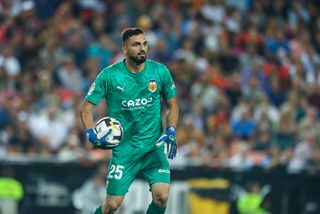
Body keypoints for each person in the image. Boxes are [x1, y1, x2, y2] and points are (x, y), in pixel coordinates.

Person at [80, 27, 179, 214]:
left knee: (162, 196)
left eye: (144, 43)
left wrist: (171, 130)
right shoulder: (109, 76)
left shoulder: (160, 71)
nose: (142, 48)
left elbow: (173, 105)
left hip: (153, 146)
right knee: (111, 206)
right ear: (124, 49)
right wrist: (91, 133)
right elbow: (86, 107)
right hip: (124, 150)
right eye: (136, 45)